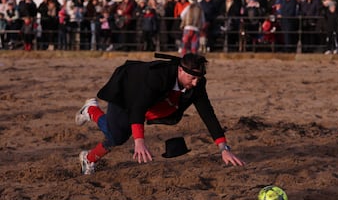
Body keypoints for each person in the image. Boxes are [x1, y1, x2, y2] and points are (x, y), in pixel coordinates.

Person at [76, 53, 245, 175]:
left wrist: (224, 148)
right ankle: (90, 118)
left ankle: (89, 147)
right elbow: (138, 107)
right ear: (180, 70)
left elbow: (208, 114)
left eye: (198, 79)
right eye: (192, 78)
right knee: (117, 136)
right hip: (127, 89)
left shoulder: (197, 84)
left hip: (151, 99)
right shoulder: (158, 76)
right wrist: (139, 141)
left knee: (118, 135)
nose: (195, 83)